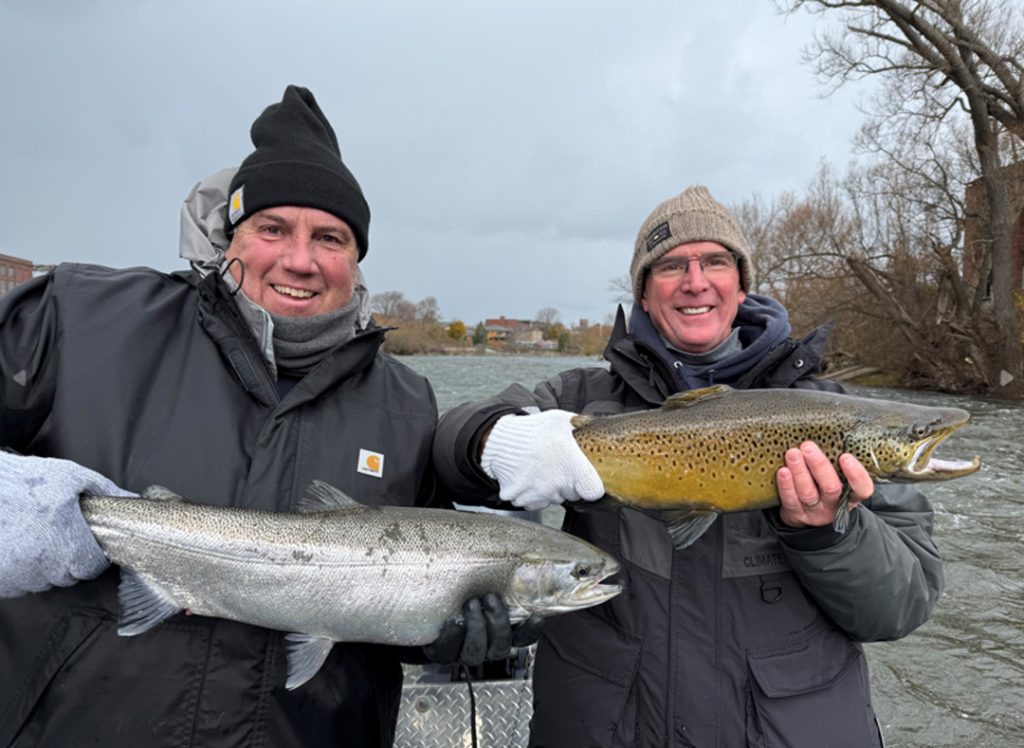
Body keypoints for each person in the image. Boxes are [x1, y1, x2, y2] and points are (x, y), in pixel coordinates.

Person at [0, 85, 529, 748]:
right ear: (232, 236)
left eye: (329, 237)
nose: (300, 260)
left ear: (356, 256)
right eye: (273, 229)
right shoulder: (79, 317)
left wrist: (450, 634)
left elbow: (396, 597)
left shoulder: (409, 402)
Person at [432, 185, 944, 747]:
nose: (695, 281)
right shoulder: (580, 401)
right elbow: (451, 448)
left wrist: (828, 535)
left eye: (715, 262)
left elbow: (902, 607)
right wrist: (498, 439)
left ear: (741, 285)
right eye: (672, 266)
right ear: (645, 296)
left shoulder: (832, 410)